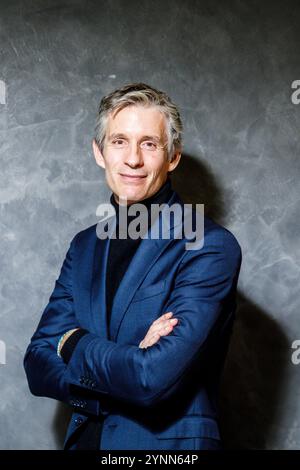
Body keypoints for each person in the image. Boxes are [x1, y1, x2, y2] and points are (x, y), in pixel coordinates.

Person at [24, 83, 242, 450]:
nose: (133, 159)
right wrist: (128, 363)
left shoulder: (209, 245)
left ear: (172, 156)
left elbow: (152, 377)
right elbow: (36, 365)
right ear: (99, 152)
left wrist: (71, 341)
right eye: (119, 141)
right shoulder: (84, 245)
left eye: (149, 144)